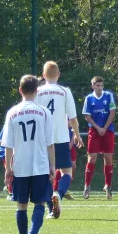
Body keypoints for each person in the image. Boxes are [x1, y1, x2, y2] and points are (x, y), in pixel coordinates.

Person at [2, 74, 55, 234]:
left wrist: (8, 168)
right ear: (37, 91)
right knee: (40, 203)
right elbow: (50, 143)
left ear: (20, 90)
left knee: (21, 205)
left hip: (20, 166)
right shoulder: (44, 112)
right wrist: (52, 166)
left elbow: (8, 145)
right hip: (39, 165)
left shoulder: (12, 112)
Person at [35, 61, 83, 219]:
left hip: (43, 140)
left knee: (44, 174)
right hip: (61, 138)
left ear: (43, 76)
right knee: (66, 172)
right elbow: (73, 118)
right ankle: (59, 194)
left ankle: (51, 209)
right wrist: (77, 134)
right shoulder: (65, 91)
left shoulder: (38, 91)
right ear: (59, 75)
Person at [82, 76, 116, 200]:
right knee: (92, 158)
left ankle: (108, 186)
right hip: (94, 131)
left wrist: (105, 128)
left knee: (108, 158)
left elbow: (112, 113)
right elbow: (87, 116)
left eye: (101, 85)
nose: (100, 88)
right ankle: (87, 186)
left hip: (107, 130)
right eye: (97, 85)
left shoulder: (108, 96)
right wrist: (98, 128)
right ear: (93, 86)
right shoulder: (89, 98)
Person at [0, 129, 13, 200]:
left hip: (13, 153)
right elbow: (0, 142)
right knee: (11, 171)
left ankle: (9, 189)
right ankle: (11, 193)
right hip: (5, 153)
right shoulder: (8, 126)